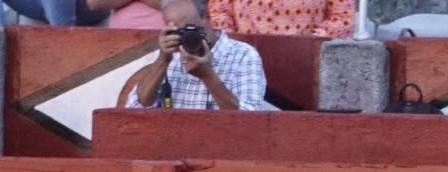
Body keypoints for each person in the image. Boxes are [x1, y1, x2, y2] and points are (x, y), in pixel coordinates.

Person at [117, 0, 266, 111]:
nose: (187, 37)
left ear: (207, 17)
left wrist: (208, 77)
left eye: (191, 28)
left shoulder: (243, 56)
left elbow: (248, 118)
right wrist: (163, 60)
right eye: (179, 32)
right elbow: (136, 108)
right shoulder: (170, 56)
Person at [207, 0, 351, 37]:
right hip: (243, 62)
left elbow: (344, 18)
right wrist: (233, 45)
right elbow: (217, 13)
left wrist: (312, 42)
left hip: (306, 62)